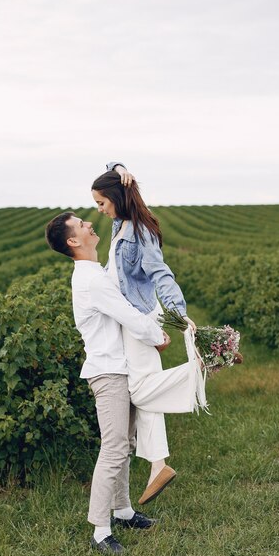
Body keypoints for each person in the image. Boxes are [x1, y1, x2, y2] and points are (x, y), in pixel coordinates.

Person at [45, 212, 204, 555]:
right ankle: (101, 530)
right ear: (73, 241)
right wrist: (158, 336)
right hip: (108, 372)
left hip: (120, 367)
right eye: (81, 225)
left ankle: (124, 510)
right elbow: (127, 313)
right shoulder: (91, 280)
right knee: (114, 446)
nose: (89, 224)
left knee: (125, 443)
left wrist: (118, 170)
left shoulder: (95, 273)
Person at [92, 164, 198, 503]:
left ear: (115, 198)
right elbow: (114, 169)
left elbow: (159, 273)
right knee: (141, 391)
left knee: (139, 391)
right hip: (127, 320)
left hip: (138, 318)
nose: (100, 210)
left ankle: (198, 371)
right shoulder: (120, 223)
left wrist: (179, 313)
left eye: (101, 203)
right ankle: (157, 465)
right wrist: (119, 167)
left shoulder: (140, 230)